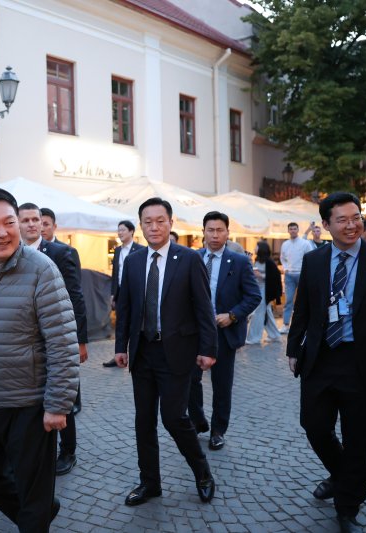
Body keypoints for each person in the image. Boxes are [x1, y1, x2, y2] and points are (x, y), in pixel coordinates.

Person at [0, 187, 79, 532]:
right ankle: (38, 513)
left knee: (32, 491)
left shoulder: (42, 270)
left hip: (30, 405)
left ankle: (35, 517)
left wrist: (58, 405)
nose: (3, 232)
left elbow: (63, 343)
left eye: (10, 222)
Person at [287, 192, 366, 533]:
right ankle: (343, 474)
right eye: (342, 220)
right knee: (313, 425)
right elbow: (304, 309)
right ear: (326, 225)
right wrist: (292, 347)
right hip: (320, 359)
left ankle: (347, 506)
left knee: (358, 439)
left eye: (355, 217)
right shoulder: (315, 261)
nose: (352, 224)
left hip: (365, 363)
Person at [114, 197, 217, 506]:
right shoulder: (132, 261)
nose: (154, 227)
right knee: (143, 420)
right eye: (148, 221)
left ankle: (202, 472)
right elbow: (126, 309)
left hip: (178, 353)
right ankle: (150, 483)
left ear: (171, 223)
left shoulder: (188, 259)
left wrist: (208, 349)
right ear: (141, 225)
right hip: (143, 353)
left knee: (174, 418)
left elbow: (203, 307)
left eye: (160, 221)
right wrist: (121, 347)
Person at [19, 204, 89, 476]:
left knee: (60, 393)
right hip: (25, 341)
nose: (32, 224)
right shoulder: (13, 253)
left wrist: (79, 340)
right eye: (25, 220)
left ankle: (68, 450)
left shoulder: (62, 252)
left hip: (57, 337)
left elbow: (76, 297)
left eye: (36, 219)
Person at [188, 212, 260, 451]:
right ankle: (198, 422)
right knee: (190, 381)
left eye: (220, 230)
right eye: (211, 230)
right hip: (193, 332)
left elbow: (254, 296)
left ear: (228, 233)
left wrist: (232, 315)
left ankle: (218, 430)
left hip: (223, 333)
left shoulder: (239, 261)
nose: (215, 235)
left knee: (221, 385)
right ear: (203, 232)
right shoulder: (193, 258)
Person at [105, 220, 144, 367]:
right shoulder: (117, 250)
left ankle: (136, 352)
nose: (120, 233)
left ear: (132, 232)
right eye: (118, 230)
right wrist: (113, 293)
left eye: (123, 230)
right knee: (121, 322)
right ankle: (119, 352)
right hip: (120, 291)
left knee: (135, 320)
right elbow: (115, 274)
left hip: (135, 291)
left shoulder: (140, 249)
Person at [279, 222, 314, 333]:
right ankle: (285, 324)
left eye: (294, 228)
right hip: (289, 275)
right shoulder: (285, 244)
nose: (293, 230)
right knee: (288, 300)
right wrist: (285, 268)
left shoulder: (305, 243)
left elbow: (311, 257)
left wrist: (305, 270)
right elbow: (282, 258)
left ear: (298, 230)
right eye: (291, 229)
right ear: (288, 230)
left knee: (304, 300)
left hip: (302, 274)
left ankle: (304, 324)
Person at [246, 241, 283, 345]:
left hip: (265, 291)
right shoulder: (257, 260)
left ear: (261, 248)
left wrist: (261, 276)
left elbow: (275, 277)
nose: (254, 248)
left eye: (256, 246)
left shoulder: (269, 262)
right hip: (259, 290)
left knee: (258, 314)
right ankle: (275, 335)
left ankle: (254, 338)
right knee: (267, 313)